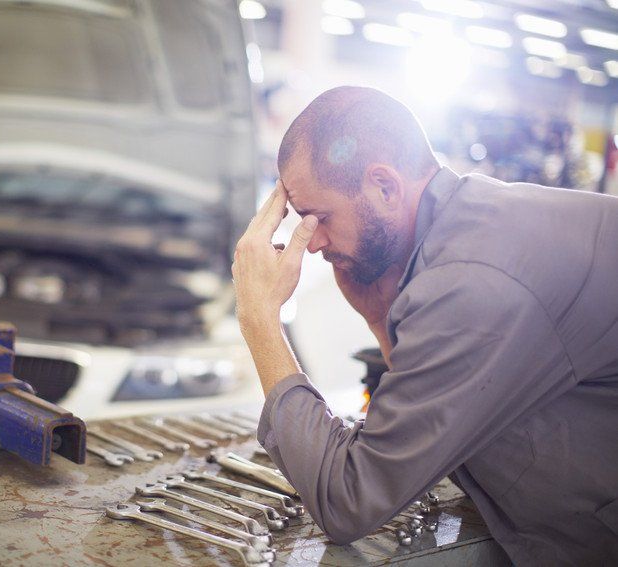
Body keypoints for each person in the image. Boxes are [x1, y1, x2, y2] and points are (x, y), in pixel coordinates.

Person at [231, 86, 618, 565]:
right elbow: (433, 417)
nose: (311, 244)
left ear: (385, 187)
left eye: (320, 218)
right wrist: (379, 316)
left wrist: (259, 319)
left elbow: (347, 501)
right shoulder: (467, 222)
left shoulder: (471, 280)